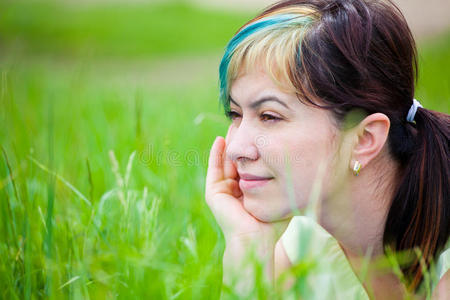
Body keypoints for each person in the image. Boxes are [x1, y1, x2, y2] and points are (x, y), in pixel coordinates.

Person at [205, 0, 449, 298]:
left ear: (363, 140)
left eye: (269, 116)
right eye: (236, 114)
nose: (236, 149)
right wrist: (246, 244)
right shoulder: (305, 250)